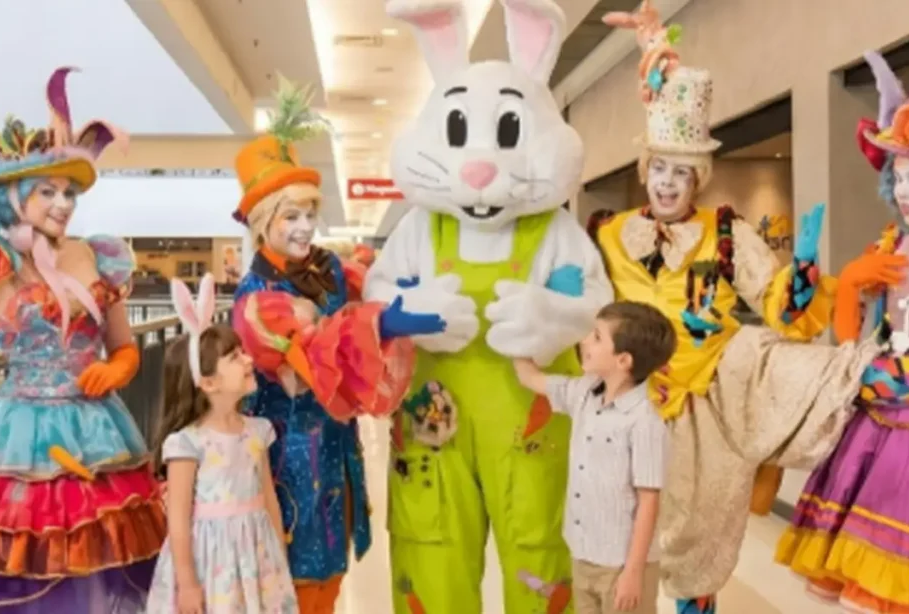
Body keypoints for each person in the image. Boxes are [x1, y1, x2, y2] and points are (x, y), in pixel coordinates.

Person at [597, 4, 881, 612]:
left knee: (701, 533)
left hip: (710, 409)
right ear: (645, 172)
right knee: (623, 530)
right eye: (659, 170)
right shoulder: (614, 234)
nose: (668, 183)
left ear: (698, 179)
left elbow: (777, 304)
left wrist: (801, 276)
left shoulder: (727, 232)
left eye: (681, 172)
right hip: (633, 404)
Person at [363, 0, 614, 611]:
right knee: (433, 553)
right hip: (433, 437)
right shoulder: (421, 228)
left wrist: (553, 320)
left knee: (539, 553)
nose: (479, 170)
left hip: (534, 430)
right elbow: (375, 296)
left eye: (506, 135)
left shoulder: (555, 231)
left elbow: (600, 310)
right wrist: (410, 310)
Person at [776, 49, 909, 614]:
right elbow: (848, 347)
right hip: (878, 425)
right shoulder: (890, 246)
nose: (903, 191)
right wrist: (848, 287)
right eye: (898, 177)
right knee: (863, 598)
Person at [231, 76, 441, 614]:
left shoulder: (325, 268)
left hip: (335, 442)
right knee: (293, 574)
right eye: (291, 217)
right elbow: (321, 350)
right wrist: (382, 326)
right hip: (286, 453)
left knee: (335, 564)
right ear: (262, 225)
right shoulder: (257, 299)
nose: (305, 229)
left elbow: (363, 289)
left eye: (309, 214)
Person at [0, 67, 164, 613]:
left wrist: (118, 369)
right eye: (47, 190)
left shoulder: (98, 254)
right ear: (13, 195)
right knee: (21, 557)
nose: (64, 203)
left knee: (95, 560)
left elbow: (124, 347)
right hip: (12, 433)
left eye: (69, 191)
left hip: (94, 429)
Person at [147, 275, 297, 614]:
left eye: (243, 352)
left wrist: (279, 560)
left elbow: (268, 498)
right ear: (209, 382)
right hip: (210, 564)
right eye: (234, 357)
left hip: (257, 557)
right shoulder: (186, 443)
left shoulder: (258, 431)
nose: (248, 360)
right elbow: (180, 519)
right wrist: (187, 583)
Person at [514, 302, 676, 614]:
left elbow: (649, 502)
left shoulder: (645, 422)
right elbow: (530, 378)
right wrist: (513, 329)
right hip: (584, 553)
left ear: (623, 360)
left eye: (597, 337)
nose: (585, 340)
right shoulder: (584, 393)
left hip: (623, 565)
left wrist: (633, 573)